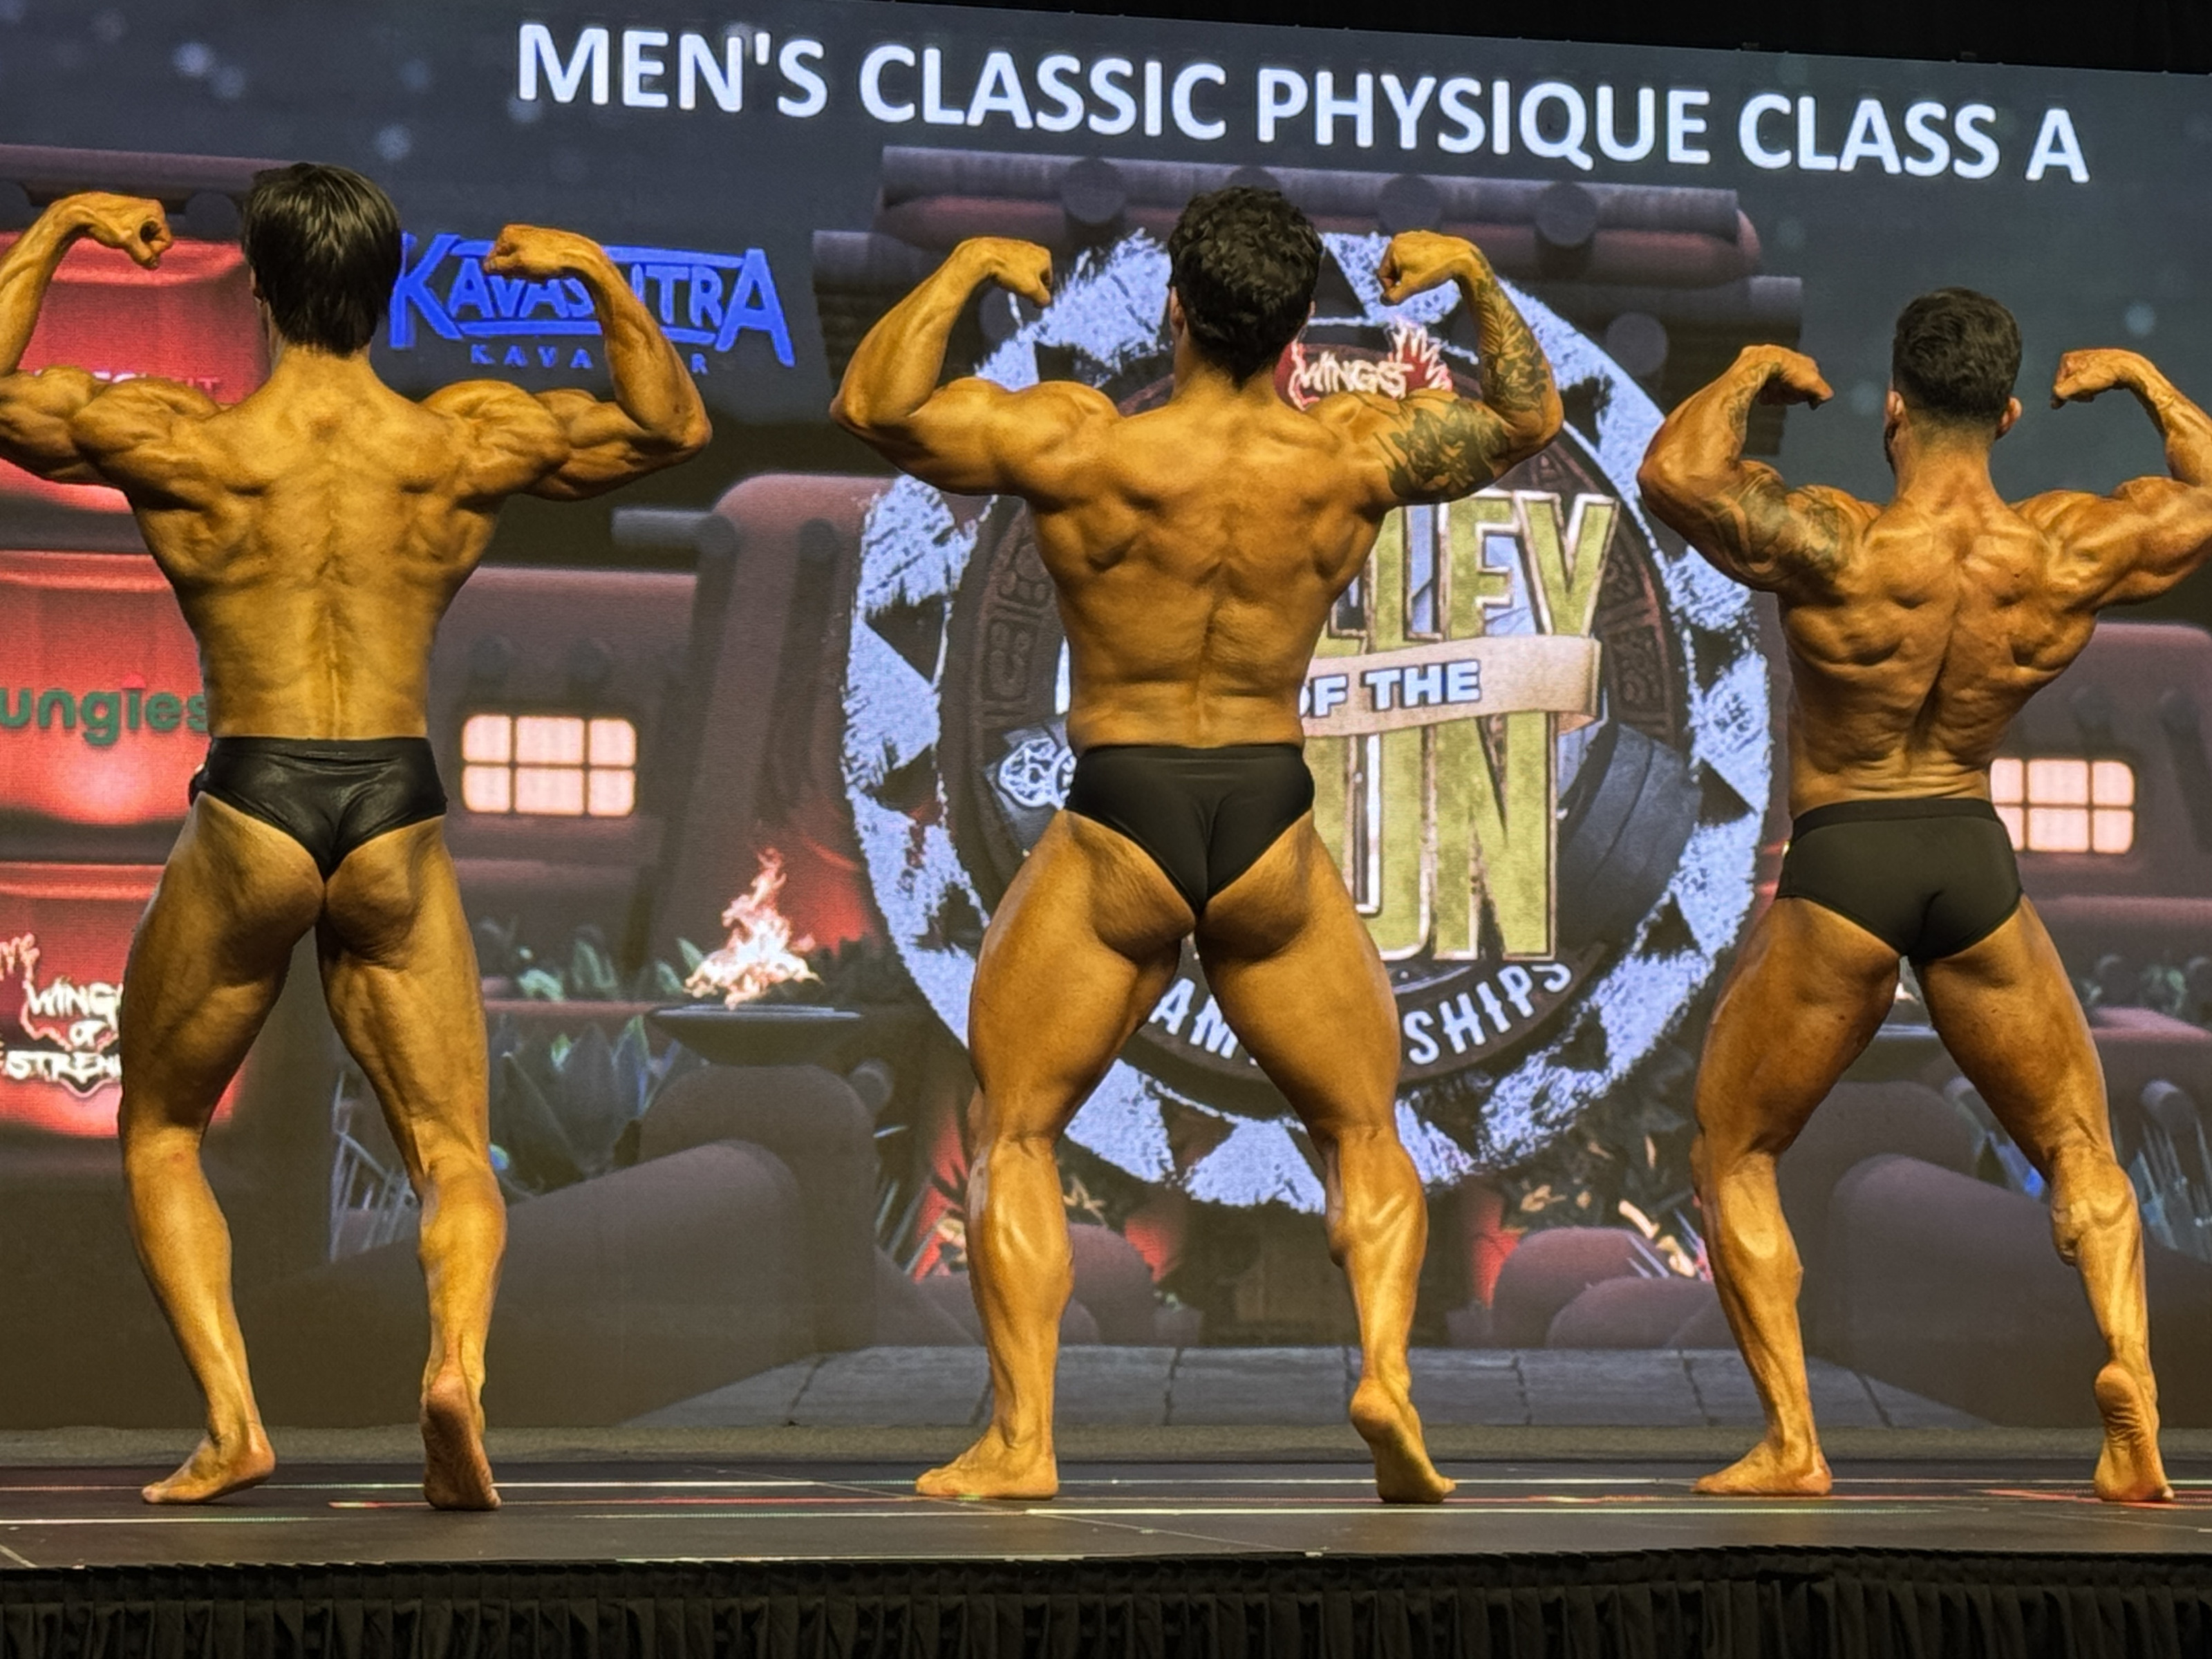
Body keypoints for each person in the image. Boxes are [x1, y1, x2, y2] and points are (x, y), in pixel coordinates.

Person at [833, 187, 1562, 1502]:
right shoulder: (1347, 456)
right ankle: (1385, 1377)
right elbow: (1527, 418)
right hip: (1265, 817)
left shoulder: (1083, 445)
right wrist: (1469, 273)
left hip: (1125, 812)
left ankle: (1024, 1444)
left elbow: (876, 407)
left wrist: (966, 269)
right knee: (1362, 1129)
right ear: (1297, 331)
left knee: (1018, 1133)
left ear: (1173, 308)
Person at [0, 169, 710, 1508]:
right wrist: (595, 274)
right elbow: (670, 426)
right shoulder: (460, 441)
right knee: (452, 1151)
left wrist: (58, 231)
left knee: (160, 1131)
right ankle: (455, 1376)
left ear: (258, 291)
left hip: (254, 800)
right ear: (388, 294)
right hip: (393, 804)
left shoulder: (181, 438)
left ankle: (234, 1425)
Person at [1638, 291, 2204, 1503]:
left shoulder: (1838, 543)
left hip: (1846, 858)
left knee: (1737, 1148)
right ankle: (2134, 1408)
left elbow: (1672, 474)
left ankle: (1794, 1444)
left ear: (1894, 409)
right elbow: (2207, 495)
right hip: (1966, 853)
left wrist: (1750, 370)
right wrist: (2145, 384)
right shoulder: (2059, 551)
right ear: (2009, 414)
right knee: (2080, 1147)